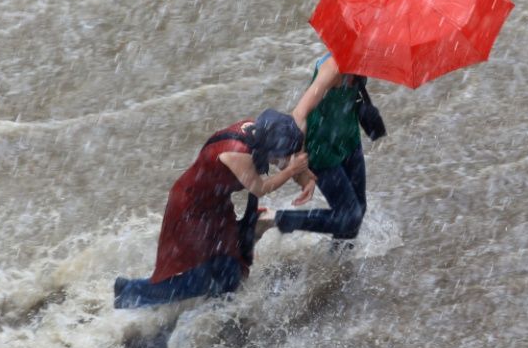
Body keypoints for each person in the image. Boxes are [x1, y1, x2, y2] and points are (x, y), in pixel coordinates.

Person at [114, 109, 308, 309]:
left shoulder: (258, 131)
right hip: (191, 210)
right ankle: (131, 292)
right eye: (280, 156)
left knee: (229, 267)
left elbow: (284, 159)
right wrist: (293, 170)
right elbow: (260, 188)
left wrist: (304, 177)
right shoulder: (236, 151)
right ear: (269, 147)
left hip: (214, 204)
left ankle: (215, 308)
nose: (281, 161)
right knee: (212, 275)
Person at [264, 52, 368, 241]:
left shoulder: (364, 60)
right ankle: (273, 218)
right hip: (321, 149)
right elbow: (299, 113)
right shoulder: (333, 68)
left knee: (357, 211)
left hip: (349, 141)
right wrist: (300, 166)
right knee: (349, 217)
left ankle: (339, 266)